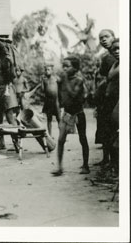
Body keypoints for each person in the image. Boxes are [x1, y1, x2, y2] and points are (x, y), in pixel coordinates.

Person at [52, 56, 89, 176]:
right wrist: (59, 115)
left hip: (78, 113)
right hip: (67, 113)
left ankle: (85, 165)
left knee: (82, 138)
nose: (64, 69)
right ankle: (60, 167)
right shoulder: (62, 80)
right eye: (63, 66)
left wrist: (64, 80)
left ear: (75, 68)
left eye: (67, 66)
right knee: (61, 140)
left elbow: (73, 95)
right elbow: (58, 99)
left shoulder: (79, 80)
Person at [93, 29, 117, 166]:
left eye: (106, 37)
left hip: (114, 99)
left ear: (113, 37)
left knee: (112, 130)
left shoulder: (118, 56)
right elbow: (102, 78)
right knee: (104, 128)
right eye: (100, 37)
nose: (103, 40)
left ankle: (114, 162)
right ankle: (106, 159)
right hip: (105, 98)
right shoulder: (105, 58)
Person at [103, 38, 119, 175]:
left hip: (119, 104)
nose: (117, 51)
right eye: (115, 49)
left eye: (120, 48)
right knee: (111, 137)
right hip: (111, 103)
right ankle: (114, 166)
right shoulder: (115, 64)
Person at [41, 64, 61, 137]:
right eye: (46, 70)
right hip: (48, 101)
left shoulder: (56, 78)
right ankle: (50, 135)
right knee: (49, 119)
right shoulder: (44, 79)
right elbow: (42, 90)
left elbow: (62, 86)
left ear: (52, 71)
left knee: (59, 118)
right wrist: (41, 81)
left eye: (48, 69)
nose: (47, 71)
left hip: (56, 101)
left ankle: (61, 135)